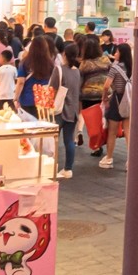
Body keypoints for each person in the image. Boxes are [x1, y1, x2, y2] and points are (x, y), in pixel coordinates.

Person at [100, 42, 133, 168]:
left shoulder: (115, 67)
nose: (115, 54)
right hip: (129, 100)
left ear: (122, 53)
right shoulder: (132, 67)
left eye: (117, 52)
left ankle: (108, 158)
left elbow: (107, 85)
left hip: (117, 100)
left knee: (112, 132)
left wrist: (104, 97)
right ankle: (130, 161)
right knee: (128, 132)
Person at [16, 35, 60, 120]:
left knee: (28, 126)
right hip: (44, 99)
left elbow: (21, 82)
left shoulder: (25, 63)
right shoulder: (50, 63)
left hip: (27, 99)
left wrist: (16, 98)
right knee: (42, 126)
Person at [55, 41, 82, 178]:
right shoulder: (77, 72)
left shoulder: (59, 70)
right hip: (73, 111)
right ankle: (68, 169)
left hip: (58, 110)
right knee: (69, 141)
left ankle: (52, 167)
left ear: (64, 54)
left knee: (53, 141)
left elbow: (52, 89)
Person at [0, 48, 18, 115]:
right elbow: (16, 80)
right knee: (12, 112)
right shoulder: (14, 69)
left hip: (1, 94)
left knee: (1, 112)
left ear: (3, 59)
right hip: (11, 93)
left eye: (0, 57)